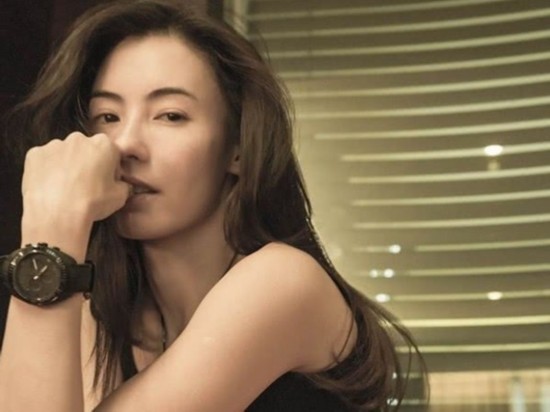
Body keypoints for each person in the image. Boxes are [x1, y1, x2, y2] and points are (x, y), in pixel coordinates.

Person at [0, 0, 426, 411]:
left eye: (170, 115)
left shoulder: (282, 282)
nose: (125, 144)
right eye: (107, 117)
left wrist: (50, 230)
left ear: (237, 147)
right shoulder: (102, 307)